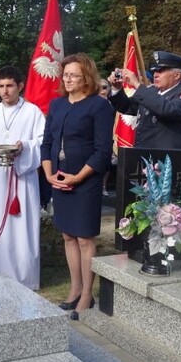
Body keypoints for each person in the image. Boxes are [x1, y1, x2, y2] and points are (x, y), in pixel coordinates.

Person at [41, 54, 114, 319]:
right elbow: (47, 142)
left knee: (84, 237)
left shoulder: (99, 106)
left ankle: (87, 294)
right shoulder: (57, 105)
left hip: (85, 181)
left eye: (74, 75)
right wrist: (49, 174)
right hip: (59, 179)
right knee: (67, 236)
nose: (67, 79)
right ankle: (74, 289)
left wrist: (77, 177)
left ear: (87, 78)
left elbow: (102, 151)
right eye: (66, 74)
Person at [0, 65, 45, 290]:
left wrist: (25, 146)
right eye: (1, 86)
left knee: (20, 225)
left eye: (9, 86)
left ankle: (23, 276)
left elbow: (42, 143)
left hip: (21, 177)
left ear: (20, 86)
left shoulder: (33, 112)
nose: (4, 91)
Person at [106, 51, 181, 149]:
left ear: (177, 75)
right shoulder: (151, 91)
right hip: (143, 155)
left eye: (161, 71)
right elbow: (127, 107)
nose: (155, 75)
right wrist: (117, 88)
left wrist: (137, 85)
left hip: (166, 159)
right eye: (154, 71)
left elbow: (168, 110)